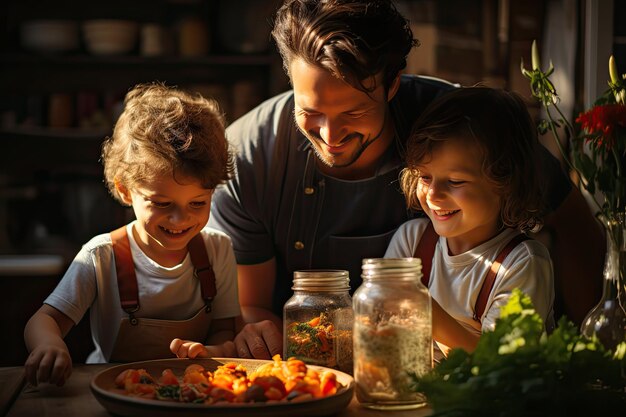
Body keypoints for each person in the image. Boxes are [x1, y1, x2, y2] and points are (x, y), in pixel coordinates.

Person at [209, 0, 603, 359]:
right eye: (310, 110)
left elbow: (572, 221)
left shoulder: (461, 125)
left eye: (353, 111)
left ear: (392, 85)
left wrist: (592, 358)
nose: (330, 135)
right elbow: (253, 306)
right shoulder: (248, 156)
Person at [23, 83, 241, 387]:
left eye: (198, 203)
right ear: (126, 191)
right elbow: (43, 321)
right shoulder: (101, 255)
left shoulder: (218, 250)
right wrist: (49, 345)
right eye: (162, 203)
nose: (181, 218)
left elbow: (225, 331)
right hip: (110, 390)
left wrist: (211, 351)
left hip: (190, 392)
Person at [385, 86, 555, 359]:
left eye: (455, 182)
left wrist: (429, 317)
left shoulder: (522, 263)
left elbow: (501, 367)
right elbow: (379, 330)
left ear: (506, 183)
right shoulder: (412, 241)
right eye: (425, 177)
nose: (433, 194)